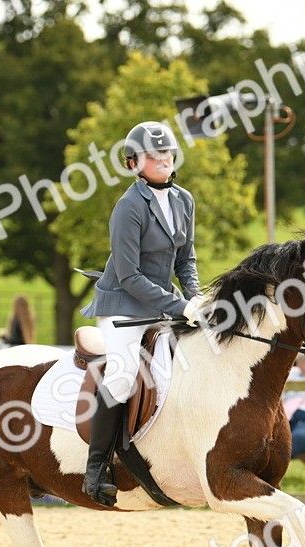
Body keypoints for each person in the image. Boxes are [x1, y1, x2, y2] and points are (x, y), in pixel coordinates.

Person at [78, 120, 201, 507]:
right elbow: (129, 276)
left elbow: (187, 259)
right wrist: (180, 305)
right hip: (124, 306)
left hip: (165, 301)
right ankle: (95, 469)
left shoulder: (184, 199)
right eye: (153, 154)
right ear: (135, 162)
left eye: (166, 152)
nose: (162, 159)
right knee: (121, 375)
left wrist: (196, 300)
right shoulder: (129, 207)